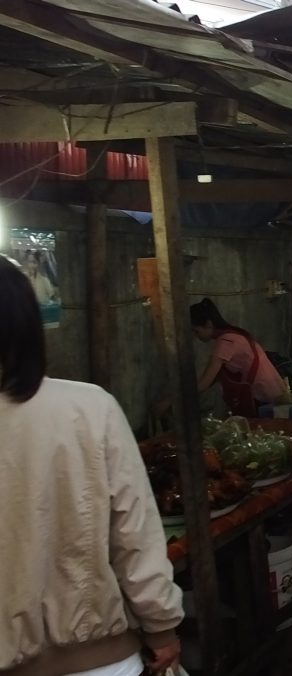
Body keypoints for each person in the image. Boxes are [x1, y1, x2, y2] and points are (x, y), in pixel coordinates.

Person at [0, 255, 184, 676]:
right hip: (98, 662)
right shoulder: (89, 408)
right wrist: (162, 627)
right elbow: (134, 534)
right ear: (29, 327)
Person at [190, 298, 287, 417]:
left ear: (209, 324)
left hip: (263, 398)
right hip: (273, 393)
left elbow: (204, 383)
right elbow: (211, 379)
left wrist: (171, 401)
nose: (195, 336)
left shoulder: (226, 342)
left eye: (196, 331)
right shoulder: (233, 335)